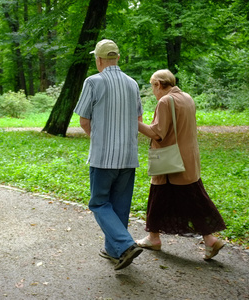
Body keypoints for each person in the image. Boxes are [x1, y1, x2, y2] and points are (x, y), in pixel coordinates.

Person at [136, 69, 226, 260]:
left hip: (170, 160)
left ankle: (154, 238)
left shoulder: (165, 101)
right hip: (188, 158)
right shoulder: (187, 97)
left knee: (158, 197)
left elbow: (157, 133)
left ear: (159, 84)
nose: (153, 91)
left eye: (153, 86)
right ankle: (209, 240)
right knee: (192, 199)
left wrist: (134, 122)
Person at [74, 39, 144, 270]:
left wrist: (98, 139)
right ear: (118, 58)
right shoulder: (132, 83)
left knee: (100, 203)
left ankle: (124, 244)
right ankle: (116, 251)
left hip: (103, 158)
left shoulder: (93, 81)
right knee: (120, 205)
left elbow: (84, 120)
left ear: (99, 60)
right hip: (128, 156)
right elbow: (138, 121)